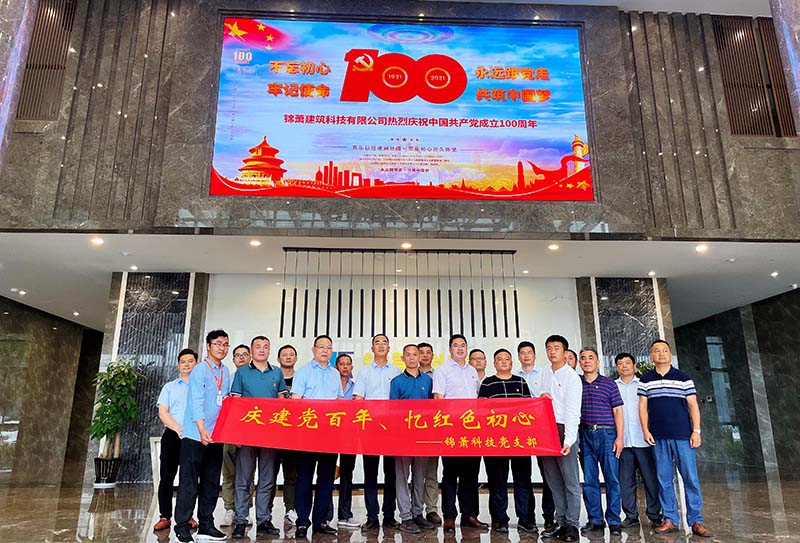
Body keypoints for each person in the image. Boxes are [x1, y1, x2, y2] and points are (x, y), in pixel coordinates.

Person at [639, 340, 712, 537]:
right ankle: (670, 519)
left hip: (683, 436)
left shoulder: (683, 378)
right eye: (656, 351)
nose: (661, 353)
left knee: (690, 478)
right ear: (651, 355)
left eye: (664, 350)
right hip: (658, 436)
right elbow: (642, 407)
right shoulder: (646, 379)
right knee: (664, 479)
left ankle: (696, 520)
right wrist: (645, 430)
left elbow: (693, 405)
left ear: (670, 354)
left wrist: (696, 431)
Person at [174, 330, 232, 543]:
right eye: (217, 344)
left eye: (225, 344)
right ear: (208, 346)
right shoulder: (200, 370)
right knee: (189, 482)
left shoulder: (226, 371)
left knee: (211, 482)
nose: (222, 348)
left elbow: (225, 402)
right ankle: (182, 526)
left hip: (215, 436)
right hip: (195, 436)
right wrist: (201, 430)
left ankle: (206, 525)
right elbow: (196, 401)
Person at [230, 336, 287, 539]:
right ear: (251, 351)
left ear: (269, 350)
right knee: (243, 478)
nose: (262, 350)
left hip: (269, 435)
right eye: (258, 347)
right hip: (246, 434)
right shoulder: (242, 372)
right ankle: (240, 520)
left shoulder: (277, 372)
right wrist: (236, 432)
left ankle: (264, 519)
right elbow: (235, 404)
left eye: (265, 347)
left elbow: (282, 403)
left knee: (267, 478)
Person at [479, 348, 538, 534]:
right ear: (494, 363)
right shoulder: (487, 383)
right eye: (499, 359)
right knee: (497, 481)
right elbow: (481, 411)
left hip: (519, 440)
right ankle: (500, 520)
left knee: (523, 481)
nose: (503, 362)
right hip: (496, 441)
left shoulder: (520, 381)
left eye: (507, 359)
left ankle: (526, 519)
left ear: (512, 363)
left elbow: (528, 409)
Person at [432, 334, 488, 533]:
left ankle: (469, 515)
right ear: (450, 349)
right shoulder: (442, 370)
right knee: (450, 474)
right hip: (451, 429)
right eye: (456, 345)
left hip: (472, 430)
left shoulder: (472, 371)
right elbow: (438, 399)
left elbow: (478, 399)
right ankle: (449, 516)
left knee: (470, 474)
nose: (460, 348)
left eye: (463, 345)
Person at [291, 335, 341, 538]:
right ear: (313, 350)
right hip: (308, 433)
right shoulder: (303, 372)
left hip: (330, 434)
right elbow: (296, 402)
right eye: (321, 347)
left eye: (329, 347)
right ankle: (302, 522)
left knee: (327, 479)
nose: (325, 350)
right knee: (304, 478)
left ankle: (321, 521)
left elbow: (339, 402)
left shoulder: (335, 373)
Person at [354, 334, 402, 531]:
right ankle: (372, 516)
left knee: (391, 473)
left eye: (384, 343)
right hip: (371, 428)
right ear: (372, 348)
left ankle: (389, 515)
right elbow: (358, 400)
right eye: (377, 343)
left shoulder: (397, 371)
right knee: (370, 473)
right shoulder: (364, 372)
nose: (381, 346)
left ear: (389, 348)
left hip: (392, 429)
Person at [539, 335, 581, 543]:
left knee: (570, 480)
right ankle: (561, 521)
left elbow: (573, 411)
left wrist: (569, 439)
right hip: (546, 429)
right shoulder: (545, 373)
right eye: (549, 347)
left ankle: (572, 524)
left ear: (565, 353)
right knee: (553, 480)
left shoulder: (571, 377)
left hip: (565, 430)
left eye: (556, 348)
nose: (552, 351)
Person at [577, 347, 624, 536]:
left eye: (591, 357)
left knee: (612, 479)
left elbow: (618, 411)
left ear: (597, 362)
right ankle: (595, 519)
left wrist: (620, 438)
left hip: (607, 435)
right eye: (583, 358)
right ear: (579, 363)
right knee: (590, 480)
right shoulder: (576, 383)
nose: (587, 361)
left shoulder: (609, 384)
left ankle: (614, 520)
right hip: (585, 434)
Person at [390, 344, 436, 534]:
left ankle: (418, 513)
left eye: (414, 354)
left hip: (423, 437)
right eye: (407, 355)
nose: (411, 357)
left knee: (420, 476)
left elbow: (433, 409)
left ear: (419, 357)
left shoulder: (428, 380)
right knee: (402, 476)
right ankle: (406, 517)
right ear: (402, 358)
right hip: (403, 436)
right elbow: (392, 411)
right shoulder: (396, 381)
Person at [614, 352, 662, 529]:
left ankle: (654, 514)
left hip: (644, 440)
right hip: (623, 442)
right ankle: (631, 515)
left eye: (627, 363)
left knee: (650, 479)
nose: (624, 366)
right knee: (626, 481)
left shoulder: (644, 384)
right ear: (617, 367)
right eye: (620, 363)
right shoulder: (613, 386)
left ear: (634, 366)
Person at [153, 348, 199, 532]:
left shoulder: (201, 386)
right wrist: (178, 428)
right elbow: (163, 412)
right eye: (183, 362)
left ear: (196, 364)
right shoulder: (169, 387)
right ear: (179, 365)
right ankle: (165, 516)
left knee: (189, 479)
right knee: (167, 477)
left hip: (194, 436)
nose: (186, 364)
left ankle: (187, 516)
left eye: (190, 361)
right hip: (172, 435)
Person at [516, 340, 555, 531]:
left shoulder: (545, 374)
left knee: (548, 473)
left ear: (534, 354)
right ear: (518, 356)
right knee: (522, 474)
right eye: (522, 353)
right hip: (521, 430)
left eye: (529, 352)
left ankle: (549, 516)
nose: (526, 355)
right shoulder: (514, 377)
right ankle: (526, 517)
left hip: (542, 428)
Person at [221, 344, 253, 527]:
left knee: (247, 473)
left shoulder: (255, 378)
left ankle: (245, 509)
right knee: (229, 472)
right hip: (229, 430)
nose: (241, 357)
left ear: (250, 357)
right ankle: (229, 508)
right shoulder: (227, 379)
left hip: (249, 432)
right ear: (233, 359)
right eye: (237, 355)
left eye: (244, 354)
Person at [271, 344, 299, 525]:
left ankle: (290, 510)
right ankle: (265, 513)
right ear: (278, 359)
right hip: (274, 434)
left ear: (296, 358)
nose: (288, 357)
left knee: (291, 475)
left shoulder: (301, 378)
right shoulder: (272, 377)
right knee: (269, 476)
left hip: (293, 435)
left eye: (291, 354)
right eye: (284, 355)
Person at [332, 353, 360, 528]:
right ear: (336, 367)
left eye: (348, 364)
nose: (344, 367)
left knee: (347, 475)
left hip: (349, 435)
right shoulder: (329, 384)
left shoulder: (356, 387)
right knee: (327, 474)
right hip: (330, 433)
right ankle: (325, 515)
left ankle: (345, 514)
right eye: (341, 364)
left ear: (351, 367)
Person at [418, 341, 442, 525]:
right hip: (414, 429)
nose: (425, 355)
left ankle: (432, 509)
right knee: (414, 473)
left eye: (428, 352)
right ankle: (415, 509)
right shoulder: (408, 375)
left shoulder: (439, 375)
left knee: (431, 472)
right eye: (422, 352)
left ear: (433, 355)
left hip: (434, 430)